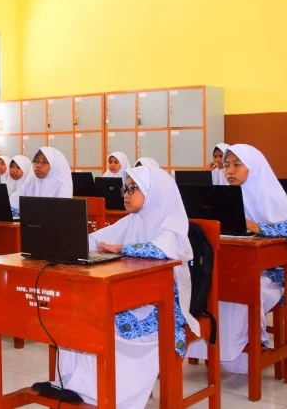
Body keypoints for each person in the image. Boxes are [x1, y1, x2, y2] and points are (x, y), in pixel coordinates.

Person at [37, 166, 198, 408]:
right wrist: (67, 241)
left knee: (110, 327)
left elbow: (162, 250)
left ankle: (107, 395)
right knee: (80, 317)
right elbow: (97, 239)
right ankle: (74, 383)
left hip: (163, 305)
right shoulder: (133, 219)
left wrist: (121, 248)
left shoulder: (172, 221)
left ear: (154, 193)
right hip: (133, 294)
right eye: (126, 188)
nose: (125, 194)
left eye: (134, 188)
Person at [186, 144, 287, 373]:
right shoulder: (225, 197)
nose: (229, 171)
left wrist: (260, 227)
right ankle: (215, 351)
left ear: (253, 168)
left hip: (271, 274)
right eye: (226, 166)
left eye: (236, 165)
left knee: (239, 290)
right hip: (234, 266)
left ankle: (245, 352)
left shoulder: (272, 196)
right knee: (213, 288)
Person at [10, 147, 73, 215]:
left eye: (45, 162)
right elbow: (13, 201)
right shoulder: (32, 179)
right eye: (36, 161)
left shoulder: (62, 183)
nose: (38, 166)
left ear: (55, 166)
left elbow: (62, 212)